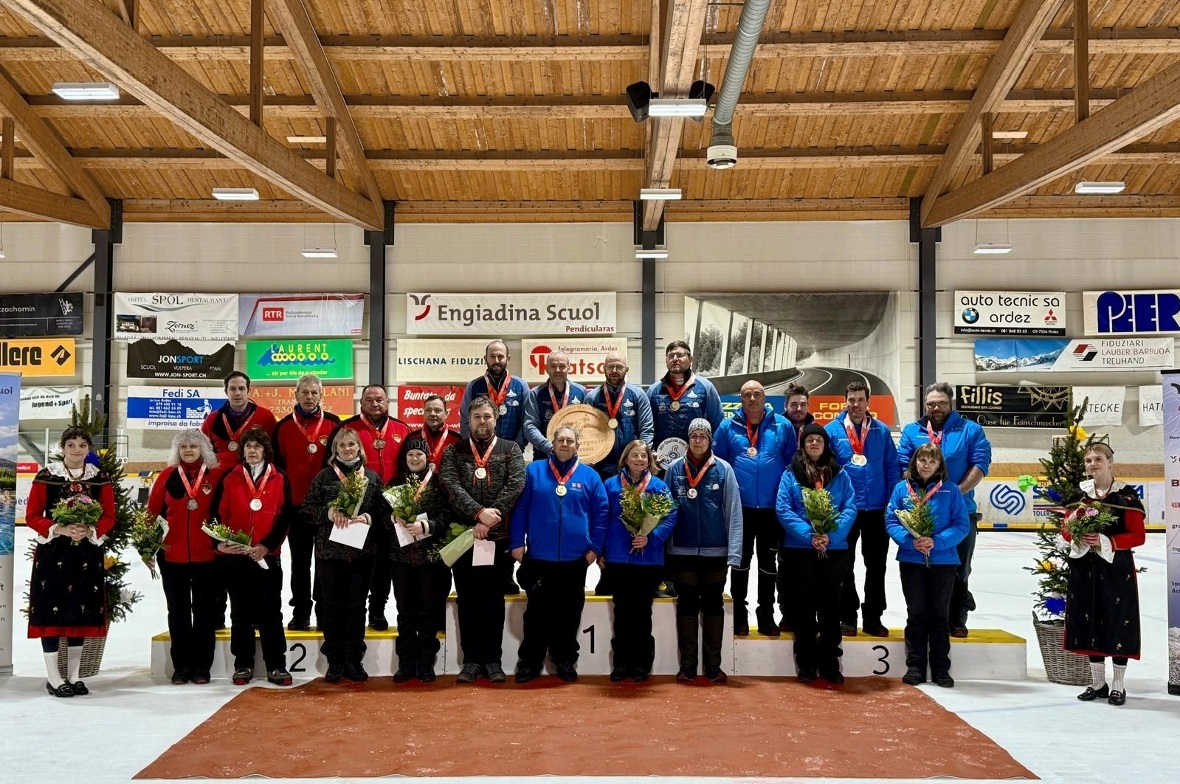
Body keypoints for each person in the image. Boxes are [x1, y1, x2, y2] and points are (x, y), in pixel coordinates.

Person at [510, 425, 609, 683]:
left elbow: (601, 515)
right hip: (539, 558)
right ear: (552, 443)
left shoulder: (589, 476)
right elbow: (519, 509)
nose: (565, 444)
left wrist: (594, 549)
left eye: (570, 440)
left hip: (575, 560)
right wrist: (516, 542)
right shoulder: (532, 472)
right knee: (536, 614)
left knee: (569, 613)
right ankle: (529, 663)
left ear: (577, 445)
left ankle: (565, 660)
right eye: (560, 440)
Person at [440, 395, 526, 683]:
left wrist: (492, 518)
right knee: (467, 601)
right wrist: (478, 514)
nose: (482, 422)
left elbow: (515, 485)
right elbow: (450, 485)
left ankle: (493, 661)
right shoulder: (454, 452)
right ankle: (471, 662)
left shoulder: (511, 449)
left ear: (495, 418)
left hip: (498, 539)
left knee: (493, 601)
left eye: (487, 417)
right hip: (464, 539)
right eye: (477, 417)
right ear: (469, 420)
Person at [25, 426, 116, 698]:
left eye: (82, 445)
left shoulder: (100, 478)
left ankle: (74, 676)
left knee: (82, 610)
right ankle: (53, 677)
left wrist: (90, 530)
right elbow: (32, 515)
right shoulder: (47, 476)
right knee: (51, 611)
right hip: (54, 553)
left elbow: (109, 515)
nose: (77, 450)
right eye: (71, 445)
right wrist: (60, 528)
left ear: (88, 449)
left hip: (87, 553)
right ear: (62, 448)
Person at [898, 382, 991, 637]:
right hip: (921, 512)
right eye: (931, 404)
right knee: (923, 570)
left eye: (941, 403)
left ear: (951, 404)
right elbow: (903, 465)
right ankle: (924, 619)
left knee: (959, 568)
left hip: (959, 512)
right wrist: (918, 498)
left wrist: (955, 494)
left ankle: (957, 618)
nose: (936, 408)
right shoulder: (912, 431)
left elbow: (980, 464)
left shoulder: (970, 430)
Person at [301, 428, 387, 683]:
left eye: (351, 445)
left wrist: (369, 517)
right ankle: (335, 661)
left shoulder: (372, 478)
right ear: (334, 450)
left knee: (356, 607)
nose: (347, 449)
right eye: (342, 445)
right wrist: (327, 514)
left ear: (359, 448)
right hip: (330, 553)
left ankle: (354, 660)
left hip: (362, 554)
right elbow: (306, 510)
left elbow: (384, 514)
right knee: (332, 606)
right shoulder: (324, 477)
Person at [1063, 442, 1146, 706]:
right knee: (1089, 619)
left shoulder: (1126, 496)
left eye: (1098, 459)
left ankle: (1119, 685)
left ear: (1110, 462)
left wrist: (1104, 539)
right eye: (1088, 460)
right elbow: (1065, 529)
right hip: (1084, 567)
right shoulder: (1080, 495)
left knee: (1117, 619)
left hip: (1115, 568)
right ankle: (1098, 683)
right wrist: (1078, 535)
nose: (1093, 464)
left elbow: (1138, 536)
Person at [210, 426, 293, 686]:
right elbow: (216, 515)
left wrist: (267, 546)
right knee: (240, 613)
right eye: (248, 446)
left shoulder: (279, 476)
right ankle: (243, 664)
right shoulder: (230, 476)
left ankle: (277, 665)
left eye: (257, 446)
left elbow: (284, 517)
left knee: (271, 612)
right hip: (236, 557)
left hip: (267, 556)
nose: (253, 450)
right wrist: (221, 543)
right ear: (242, 451)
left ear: (265, 450)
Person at [775, 423, 857, 684]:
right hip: (801, 550)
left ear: (825, 445)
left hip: (834, 550)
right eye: (809, 440)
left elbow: (850, 507)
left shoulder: (840, 474)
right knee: (803, 608)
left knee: (831, 608)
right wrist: (808, 535)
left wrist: (830, 535)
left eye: (818, 440)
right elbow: (784, 508)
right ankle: (807, 663)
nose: (813, 444)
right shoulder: (791, 474)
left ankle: (830, 662)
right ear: (803, 445)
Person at [663, 418, 742, 684]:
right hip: (682, 550)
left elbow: (733, 512)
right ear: (688, 439)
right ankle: (687, 665)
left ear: (710, 440)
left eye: (703, 436)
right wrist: (666, 548)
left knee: (713, 606)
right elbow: (664, 511)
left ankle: (712, 666)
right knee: (686, 606)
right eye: (694, 436)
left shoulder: (724, 469)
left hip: (715, 552)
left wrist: (734, 551)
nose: (698, 440)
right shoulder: (674, 469)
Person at [884, 444, 970, 688]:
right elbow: (891, 520)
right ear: (915, 462)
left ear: (939, 465)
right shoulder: (902, 489)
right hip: (912, 560)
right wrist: (911, 542)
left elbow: (961, 525)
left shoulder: (951, 491)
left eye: (932, 461)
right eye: (922, 459)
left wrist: (937, 542)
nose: (926, 465)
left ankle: (941, 669)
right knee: (917, 613)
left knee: (940, 616)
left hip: (943, 561)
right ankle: (916, 667)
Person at [712, 380, 793, 637]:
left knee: (769, 565)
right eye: (747, 395)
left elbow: (793, 464)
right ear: (741, 399)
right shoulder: (727, 427)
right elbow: (717, 467)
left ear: (765, 397)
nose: (752, 399)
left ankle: (766, 615)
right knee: (740, 563)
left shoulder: (783, 426)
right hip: (740, 509)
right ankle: (738, 615)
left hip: (772, 509)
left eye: (757, 394)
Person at [145, 429, 225, 685]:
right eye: (183, 447)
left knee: (204, 614)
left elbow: (226, 513)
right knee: (177, 613)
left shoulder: (217, 475)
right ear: (177, 451)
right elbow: (152, 513)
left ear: (204, 449)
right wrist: (148, 548)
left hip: (207, 557)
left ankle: (202, 667)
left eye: (193, 446)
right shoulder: (167, 476)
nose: (188, 450)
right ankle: (182, 667)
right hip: (172, 557)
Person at [826, 381, 900, 638]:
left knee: (877, 565)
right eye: (851, 399)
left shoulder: (880, 431)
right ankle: (848, 615)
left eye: (860, 399)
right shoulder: (831, 431)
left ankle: (873, 617)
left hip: (877, 508)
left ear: (868, 402)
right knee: (844, 565)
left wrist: (892, 502)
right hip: (846, 510)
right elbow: (827, 472)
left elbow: (892, 467)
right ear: (844, 401)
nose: (856, 404)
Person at [648, 341, 722, 599]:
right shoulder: (656, 391)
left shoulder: (705, 388)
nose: (676, 359)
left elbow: (717, 424)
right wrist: (650, 456)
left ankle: (694, 577)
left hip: (697, 469)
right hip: (662, 470)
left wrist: (709, 458)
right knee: (662, 520)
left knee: (692, 518)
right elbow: (648, 428)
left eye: (681, 355)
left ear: (690, 359)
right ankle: (664, 578)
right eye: (671, 356)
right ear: (666, 360)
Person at [337, 383, 410, 631]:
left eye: (379, 399)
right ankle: (351, 610)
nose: (375, 404)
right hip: (357, 508)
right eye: (369, 400)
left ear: (387, 402)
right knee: (356, 562)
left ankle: (377, 610)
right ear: (361, 403)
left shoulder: (402, 429)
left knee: (384, 564)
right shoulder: (347, 429)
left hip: (390, 508)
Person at [601, 440, 677, 682]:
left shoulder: (658, 486)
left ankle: (642, 665)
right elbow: (602, 518)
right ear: (625, 458)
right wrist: (601, 551)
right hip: (618, 558)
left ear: (649, 460)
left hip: (648, 559)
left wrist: (651, 537)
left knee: (643, 614)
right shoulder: (611, 486)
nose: (639, 460)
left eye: (643, 456)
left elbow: (670, 516)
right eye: (634, 455)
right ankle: (621, 664)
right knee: (622, 612)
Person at [273, 373, 342, 631]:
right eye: (305, 392)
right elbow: (277, 470)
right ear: (296, 394)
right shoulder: (282, 427)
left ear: (321, 395)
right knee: (300, 564)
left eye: (314, 392)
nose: (310, 397)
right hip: (297, 508)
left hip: (327, 510)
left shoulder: (334, 424)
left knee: (324, 563)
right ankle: (300, 612)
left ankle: (324, 611)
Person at [386, 437, 451, 682]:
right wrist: (392, 518)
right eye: (411, 455)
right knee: (405, 612)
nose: (415, 459)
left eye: (420, 455)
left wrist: (428, 525)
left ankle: (425, 662)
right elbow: (382, 520)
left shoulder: (438, 484)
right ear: (405, 458)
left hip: (430, 560)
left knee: (428, 612)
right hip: (401, 560)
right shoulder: (394, 484)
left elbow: (448, 516)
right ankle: (405, 663)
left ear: (428, 458)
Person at [584, 350, 654, 481]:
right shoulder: (592, 398)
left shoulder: (638, 395)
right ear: (604, 368)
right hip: (599, 466)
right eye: (610, 367)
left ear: (626, 369)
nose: (614, 370)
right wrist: (589, 458)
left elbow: (646, 430)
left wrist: (640, 459)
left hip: (631, 467)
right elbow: (585, 433)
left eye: (619, 367)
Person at [776, 382, 812, 631]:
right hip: (785, 501)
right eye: (794, 404)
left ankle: (812, 613)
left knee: (812, 564)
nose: (798, 408)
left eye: (803, 404)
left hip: (813, 505)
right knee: (785, 562)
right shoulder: (777, 427)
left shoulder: (818, 430)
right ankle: (787, 613)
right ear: (786, 406)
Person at [458, 340, 530, 448]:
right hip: (478, 451)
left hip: (511, 452)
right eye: (492, 356)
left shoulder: (521, 385)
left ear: (508, 359)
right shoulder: (473, 386)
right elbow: (465, 420)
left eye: (500, 356)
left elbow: (526, 421)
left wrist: (516, 447)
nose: (496, 361)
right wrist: (473, 447)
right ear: (485, 358)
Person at [200, 371, 278, 469]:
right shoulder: (212, 419)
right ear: (226, 391)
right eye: (232, 389)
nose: (237, 393)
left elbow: (274, 450)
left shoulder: (265, 416)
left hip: (253, 477)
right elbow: (203, 451)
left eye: (241, 388)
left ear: (249, 391)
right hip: (220, 476)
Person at [522, 351, 587, 462]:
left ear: (569, 368)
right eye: (553, 366)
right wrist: (549, 447)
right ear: (546, 368)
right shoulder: (535, 394)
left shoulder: (581, 392)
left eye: (562, 366)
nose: (557, 370)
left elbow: (588, 423)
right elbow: (530, 426)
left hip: (575, 457)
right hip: (544, 455)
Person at [399, 393, 461, 476]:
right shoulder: (412, 438)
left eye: (437, 410)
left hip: (447, 488)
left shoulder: (456, 440)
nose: (432, 414)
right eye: (428, 410)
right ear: (423, 413)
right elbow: (403, 467)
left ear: (446, 413)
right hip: (418, 488)